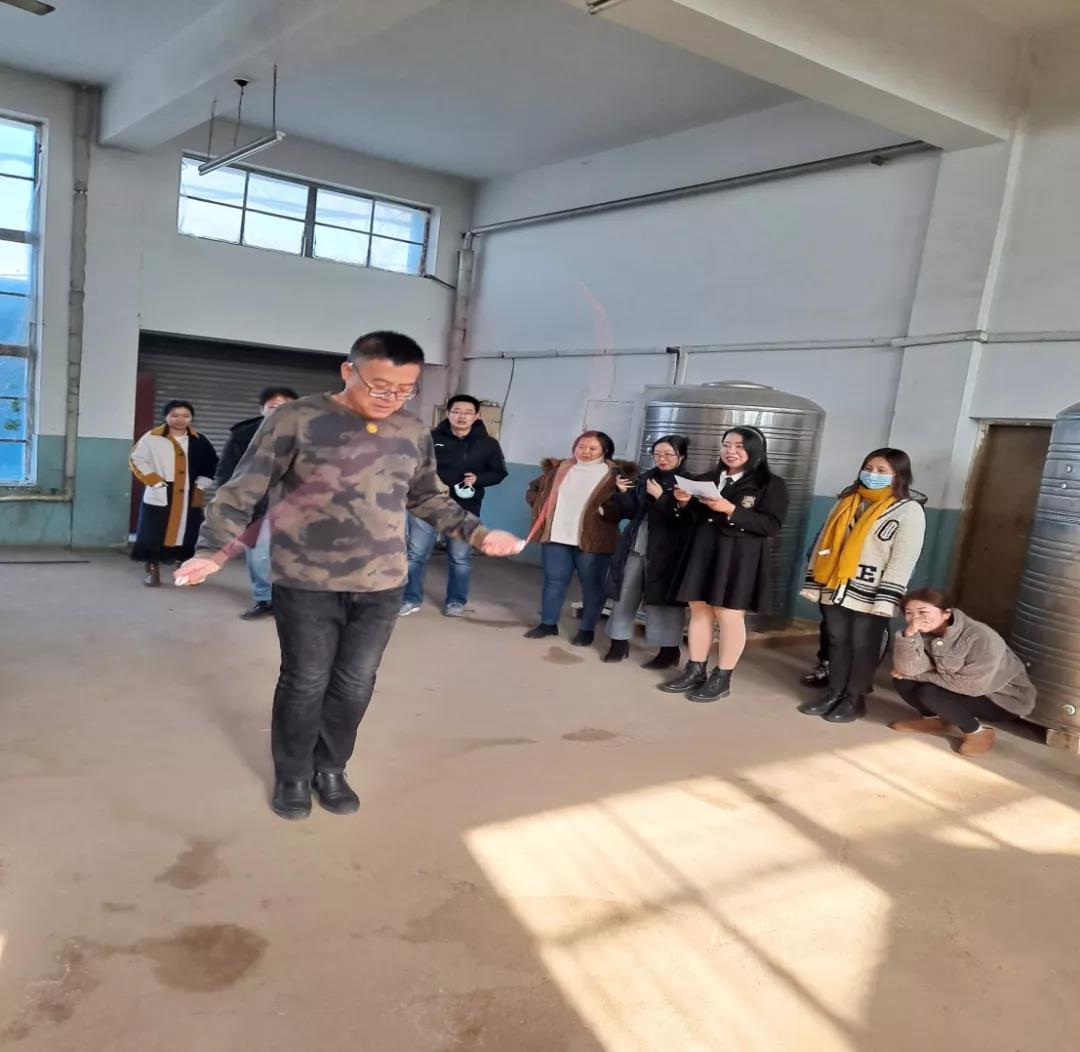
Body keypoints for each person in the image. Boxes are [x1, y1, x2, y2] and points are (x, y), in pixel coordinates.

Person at [174, 332, 521, 821]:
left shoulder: (411, 430)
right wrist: (212, 551)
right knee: (305, 681)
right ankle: (294, 774)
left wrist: (478, 533)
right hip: (306, 580)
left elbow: (427, 496)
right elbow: (243, 488)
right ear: (348, 371)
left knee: (356, 684)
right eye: (379, 386)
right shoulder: (296, 419)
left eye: (404, 389)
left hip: (381, 582)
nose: (391, 398)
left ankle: (331, 768)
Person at [659, 427, 788, 701]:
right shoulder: (706, 479)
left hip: (738, 556)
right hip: (703, 550)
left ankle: (723, 676)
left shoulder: (770, 484)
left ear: (755, 450)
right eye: (726, 445)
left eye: (739, 446)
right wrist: (683, 503)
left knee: (729, 615)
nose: (731, 451)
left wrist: (730, 509)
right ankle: (695, 669)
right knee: (699, 611)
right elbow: (688, 518)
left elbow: (771, 526)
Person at [797, 448, 926, 724]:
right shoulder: (846, 502)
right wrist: (815, 581)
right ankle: (834, 692)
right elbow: (822, 543)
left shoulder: (908, 510)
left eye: (881, 471)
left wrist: (887, 598)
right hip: (836, 585)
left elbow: (904, 558)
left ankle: (854, 698)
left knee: (863, 645)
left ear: (898, 476)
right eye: (868, 468)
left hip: (872, 591)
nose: (872, 474)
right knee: (837, 641)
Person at [890, 587, 1035, 757]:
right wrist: (909, 636)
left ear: (946, 613)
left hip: (1001, 699)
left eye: (923, 612)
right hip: (962, 688)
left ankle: (977, 732)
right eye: (909, 613)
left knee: (930, 692)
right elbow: (907, 670)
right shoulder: (921, 632)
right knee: (903, 680)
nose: (915, 619)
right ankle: (934, 721)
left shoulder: (979, 636)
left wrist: (918, 676)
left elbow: (972, 686)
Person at [401, 394, 508, 618]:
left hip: (465, 508)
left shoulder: (488, 444)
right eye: (457, 411)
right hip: (426, 504)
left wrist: (478, 479)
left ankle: (456, 601)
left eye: (468, 412)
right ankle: (410, 598)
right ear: (448, 413)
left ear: (476, 416)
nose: (461, 416)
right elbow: (412, 465)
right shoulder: (430, 438)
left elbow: (499, 473)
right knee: (416, 554)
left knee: (460, 558)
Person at [523, 430, 630, 647]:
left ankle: (587, 629)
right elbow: (533, 489)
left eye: (593, 448)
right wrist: (539, 503)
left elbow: (626, 506)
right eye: (581, 447)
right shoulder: (559, 468)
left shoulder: (614, 473)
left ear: (605, 450)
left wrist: (605, 510)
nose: (586, 452)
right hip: (556, 535)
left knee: (592, 585)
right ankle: (548, 623)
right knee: (553, 581)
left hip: (594, 539)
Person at [602, 434, 692, 668]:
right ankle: (618, 642)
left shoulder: (689, 483)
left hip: (667, 550)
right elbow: (630, 511)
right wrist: (622, 493)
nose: (662, 458)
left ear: (682, 456)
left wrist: (661, 497)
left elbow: (687, 519)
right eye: (657, 454)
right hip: (637, 543)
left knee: (663, 601)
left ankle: (668, 651)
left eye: (668, 454)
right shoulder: (645, 478)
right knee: (624, 593)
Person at [216, 386, 299, 620]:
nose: (279, 411)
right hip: (258, 504)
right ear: (262, 409)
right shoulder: (243, 435)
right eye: (273, 407)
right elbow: (227, 471)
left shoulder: (310, 435)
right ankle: (265, 598)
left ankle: (292, 600)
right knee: (259, 554)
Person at [129, 400, 218, 588]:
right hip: (162, 490)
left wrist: (202, 483)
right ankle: (152, 569)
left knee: (189, 532)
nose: (180, 419)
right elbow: (136, 459)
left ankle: (186, 570)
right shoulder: (151, 438)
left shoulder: (200, 440)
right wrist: (154, 481)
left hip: (189, 492)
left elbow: (211, 463)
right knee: (153, 531)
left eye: (186, 415)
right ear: (166, 417)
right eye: (175, 415)